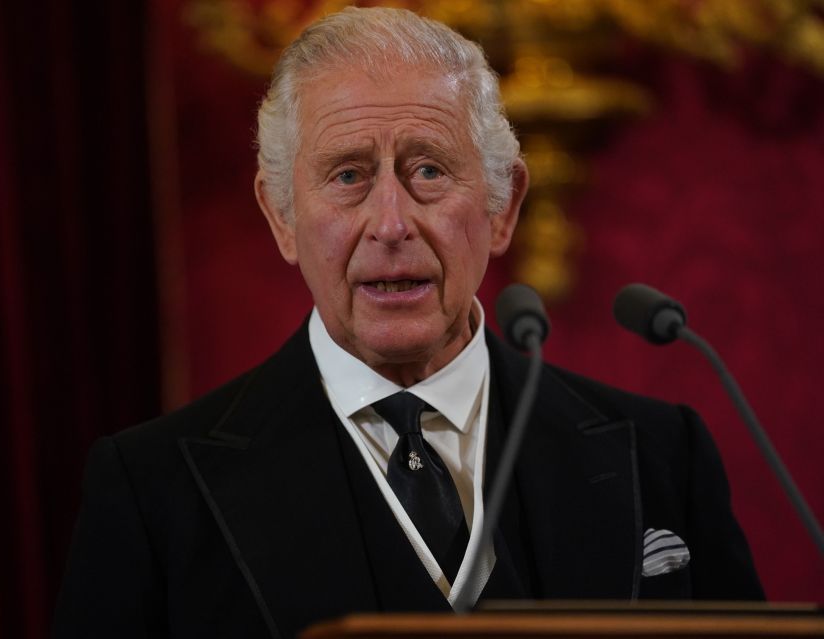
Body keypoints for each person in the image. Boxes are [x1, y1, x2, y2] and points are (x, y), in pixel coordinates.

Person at [52, 7, 763, 638]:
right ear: (281, 215)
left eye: (428, 171)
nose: (391, 224)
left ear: (502, 206)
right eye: (348, 175)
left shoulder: (664, 454)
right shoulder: (153, 490)